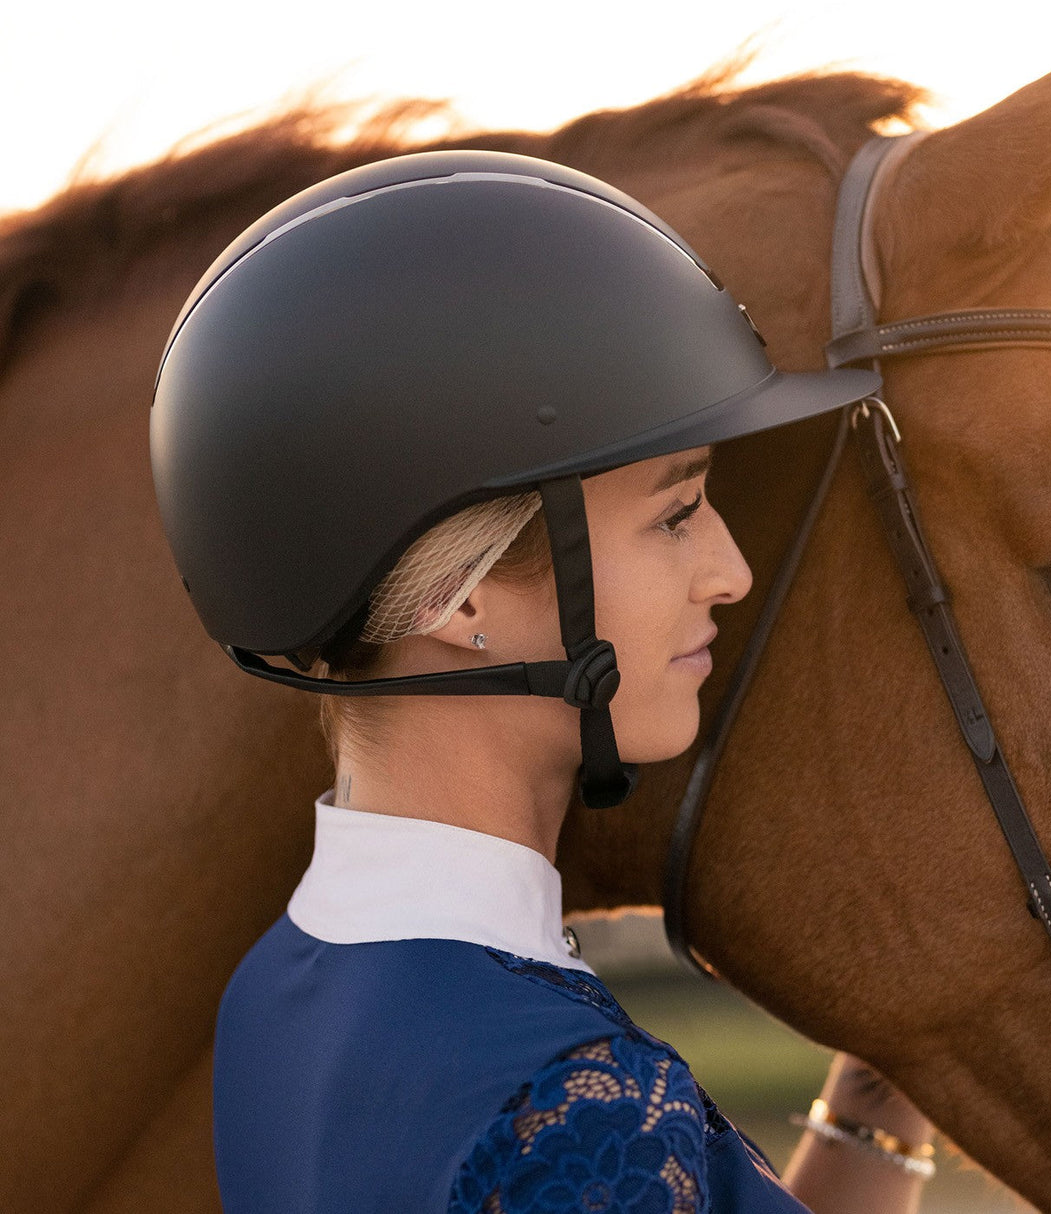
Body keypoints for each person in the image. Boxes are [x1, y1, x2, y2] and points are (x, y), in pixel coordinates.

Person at [150, 149, 935, 1212]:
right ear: (456, 598)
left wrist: (879, 1091)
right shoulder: (572, 1110)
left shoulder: (285, 989)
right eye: (673, 513)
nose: (730, 570)